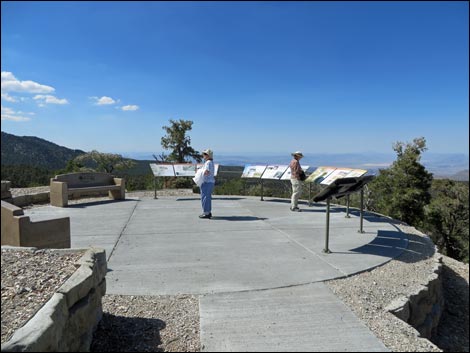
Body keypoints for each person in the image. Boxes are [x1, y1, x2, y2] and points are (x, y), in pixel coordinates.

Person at [199, 149, 215, 219]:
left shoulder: (208, 162)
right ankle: (208, 211)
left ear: (208, 155)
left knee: (205, 197)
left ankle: (206, 213)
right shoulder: (211, 162)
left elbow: (207, 172)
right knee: (207, 197)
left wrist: (200, 174)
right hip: (210, 182)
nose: (203, 156)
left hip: (207, 182)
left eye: (205, 154)